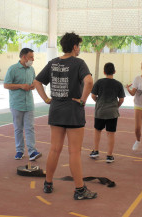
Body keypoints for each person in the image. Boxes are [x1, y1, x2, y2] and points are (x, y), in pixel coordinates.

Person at [34, 32, 97, 200]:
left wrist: (47, 99)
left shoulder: (53, 63)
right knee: (74, 152)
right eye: (79, 46)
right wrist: (83, 100)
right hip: (73, 111)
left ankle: (48, 183)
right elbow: (89, 82)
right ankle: (80, 190)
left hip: (56, 110)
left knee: (54, 149)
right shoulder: (79, 63)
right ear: (75, 46)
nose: (79, 49)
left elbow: (36, 82)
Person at [4, 48, 42, 161]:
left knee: (30, 128)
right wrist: (21, 86)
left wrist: (32, 86)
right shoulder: (13, 69)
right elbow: (6, 85)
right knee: (18, 129)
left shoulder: (31, 69)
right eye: (31, 57)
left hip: (29, 104)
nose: (33, 59)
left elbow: (33, 82)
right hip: (17, 104)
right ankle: (19, 151)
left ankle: (32, 151)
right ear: (24, 57)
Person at [89, 62, 125, 163]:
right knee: (111, 133)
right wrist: (115, 106)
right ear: (114, 71)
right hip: (112, 113)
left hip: (100, 111)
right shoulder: (118, 84)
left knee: (97, 131)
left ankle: (95, 151)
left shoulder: (99, 82)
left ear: (104, 72)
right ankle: (109, 156)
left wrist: (98, 102)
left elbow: (93, 95)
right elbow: (121, 99)